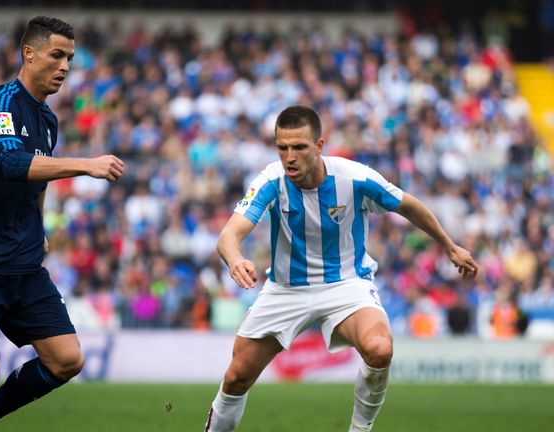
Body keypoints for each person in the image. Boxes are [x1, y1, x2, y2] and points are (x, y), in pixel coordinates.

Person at [203, 105, 478, 432]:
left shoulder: (355, 178)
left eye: (299, 147)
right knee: (236, 377)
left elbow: (408, 205)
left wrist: (449, 245)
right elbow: (228, 235)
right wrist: (236, 259)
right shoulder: (270, 179)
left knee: (380, 349)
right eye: (282, 148)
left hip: (346, 285)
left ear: (319, 146)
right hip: (286, 290)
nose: (289, 157)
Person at [0, 16, 125, 432]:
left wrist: (40, 227)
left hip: (22, 261)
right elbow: (12, 162)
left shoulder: (47, 120)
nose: (65, 66)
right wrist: (86, 165)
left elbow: (39, 182)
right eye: (57, 55)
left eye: (70, 58)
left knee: (66, 359)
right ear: (29, 53)